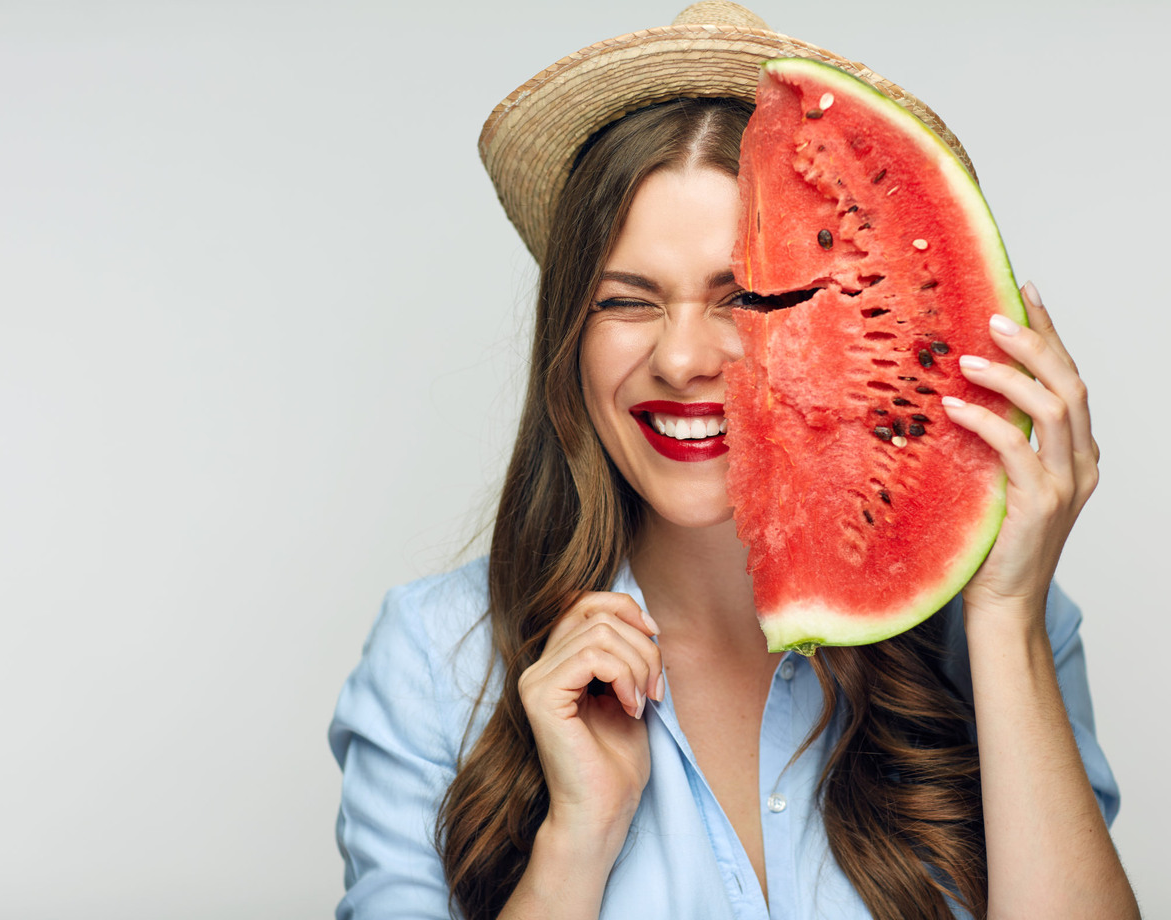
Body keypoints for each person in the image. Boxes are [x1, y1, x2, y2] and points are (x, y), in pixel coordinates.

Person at [329, 4, 1139, 918]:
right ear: (568, 336)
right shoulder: (436, 661)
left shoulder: (1004, 620)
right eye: (626, 302)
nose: (681, 360)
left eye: (747, 297)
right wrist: (577, 839)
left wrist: (1005, 623)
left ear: (860, 326)